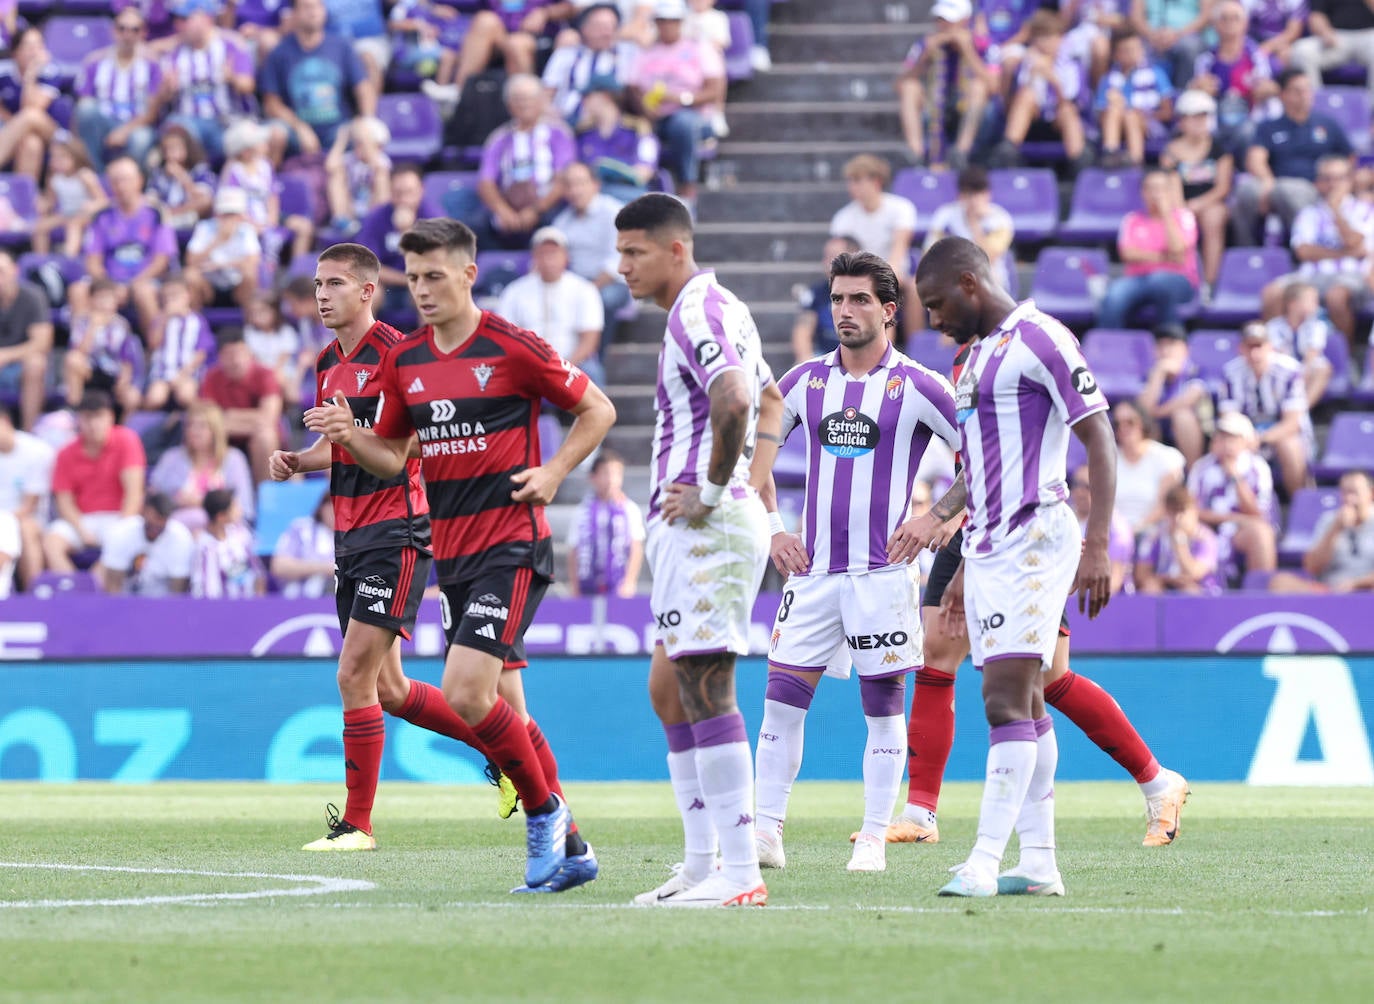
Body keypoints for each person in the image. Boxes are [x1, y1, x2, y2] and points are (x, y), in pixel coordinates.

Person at [304, 221, 616, 892]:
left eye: (434, 276)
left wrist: (556, 472)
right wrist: (349, 435)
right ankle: (576, 845)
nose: (421, 290)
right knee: (501, 709)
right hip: (454, 555)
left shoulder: (512, 346)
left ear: (469, 274)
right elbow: (391, 455)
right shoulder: (407, 359)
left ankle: (544, 813)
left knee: (465, 692)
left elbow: (597, 409)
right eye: (412, 278)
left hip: (513, 543)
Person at [886, 335, 1189, 859]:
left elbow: (1032, 463)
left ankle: (1156, 782)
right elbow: (974, 473)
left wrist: (941, 516)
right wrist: (948, 517)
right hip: (975, 535)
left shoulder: (1023, 380)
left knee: (1046, 681)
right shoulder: (967, 396)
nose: (962, 388)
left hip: (1025, 538)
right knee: (935, 653)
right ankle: (920, 812)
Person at [268, 242, 519, 848]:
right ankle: (507, 752)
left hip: (397, 532)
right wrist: (299, 461)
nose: (321, 295)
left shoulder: (398, 356)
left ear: (365, 291)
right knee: (389, 690)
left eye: (333, 284)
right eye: (317, 285)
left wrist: (347, 432)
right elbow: (341, 449)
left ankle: (358, 825)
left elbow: (398, 453)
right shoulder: (327, 361)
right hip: (350, 536)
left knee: (352, 675)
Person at [748, 251, 961, 875]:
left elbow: (984, 455)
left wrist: (936, 517)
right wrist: (772, 530)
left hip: (882, 576)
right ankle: (765, 833)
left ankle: (872, 838)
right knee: (781, 704)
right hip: (812, 575)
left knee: (883, 708)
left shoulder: (921, 386)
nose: (844, 311)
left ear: (889, 311)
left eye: (859, 300)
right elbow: (748, 457)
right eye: (837, 299)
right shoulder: (804, 382)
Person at [915, 234, 1114, 897]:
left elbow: (1099, 433)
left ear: (971, 284)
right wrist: (964, 561)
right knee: (1024, 698)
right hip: (991, 545)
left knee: (1003, 698)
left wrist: (1098, 544)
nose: (934, 320)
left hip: (1037, 536)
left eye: (938, 303)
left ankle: (982, 859)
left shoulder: (1042, 338)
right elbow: (981, 473)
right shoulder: (972, 363)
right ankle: (1039, 862)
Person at [614, 193, 778, 907]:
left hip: (706, 528)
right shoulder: (722, 309)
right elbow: (771, 400)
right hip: (698, 528)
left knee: (707, 688)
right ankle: (702, 863)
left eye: (634, 253)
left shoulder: (698, 313)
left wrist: (718, 492)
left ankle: (740, 874)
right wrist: (753, 482)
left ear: (675, 250)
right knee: (668, 689)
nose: (621, 267)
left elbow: (739, 400)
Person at [1260, 154, 1373, 349]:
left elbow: (1357, 242)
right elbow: (1303, 252)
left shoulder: (1365, 210)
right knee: (1272, 293)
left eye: (1339, 178)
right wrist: (1346, 252)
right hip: (1311, 276)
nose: (1333, 184)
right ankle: (1277, 354)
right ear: (1318, 183)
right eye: (1327, 178)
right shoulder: (1308, 213)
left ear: (1349, 180)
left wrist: (1336, 212)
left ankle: (1345, 356)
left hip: (1352, 277)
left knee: (1336, 296)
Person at [1232, 68, 1353, 245]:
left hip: (1317, 188)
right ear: (1283, 95)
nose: (1305, 95)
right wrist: (1268, 183)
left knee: (1288, 190)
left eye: (1307, 89)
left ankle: (1310, 245)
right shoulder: (1269, 126)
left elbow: (1348, 159)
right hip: (1276, 184)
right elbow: (1255, 160)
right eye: (1297, 90)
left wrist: (1335, 181)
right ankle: (1246, 249)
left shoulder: (1326, 124)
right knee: (1246, 190)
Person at [627, 0, 726, 205]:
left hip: (692, 115)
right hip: (653, 115)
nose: (667, 26)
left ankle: (687, 185)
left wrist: (681, 99)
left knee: (683, 124)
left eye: (672, 21)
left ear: (681, 22)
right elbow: (632, 87)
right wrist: (644, 107)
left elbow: (713, 89)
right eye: (662, 21)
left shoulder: (699, 48)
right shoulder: (646, 52)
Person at [42, 391, 147, 574]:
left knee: (129, 534)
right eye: (87, 418)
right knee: (52, 540)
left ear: (111, 417)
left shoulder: (127, 440)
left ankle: (93, 588)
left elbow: (134, 493)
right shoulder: (66, 453)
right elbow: (64, 501)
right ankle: (72, 587)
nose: (93, 424)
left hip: (119, 518)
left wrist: (120, 528)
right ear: (78, 420)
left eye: (99, 417)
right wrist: (82, 531)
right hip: (82, 520)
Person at [259, 0, 377, 160]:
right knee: (275, 133)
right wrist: (300, 127)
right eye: (307, 7)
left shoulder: (342, 46)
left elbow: (363, 88)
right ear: (294, 14)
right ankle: (269, 181)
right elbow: (271, 103)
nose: (313, 12)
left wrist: (367, 119)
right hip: (297, 131)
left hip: (338, 129)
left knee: (366, 133)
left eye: (318, 6)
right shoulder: (279, 53)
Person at [470, 74, 578, 249]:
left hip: (547, 206)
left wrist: (535, 210)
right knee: (473, 229)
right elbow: (486, 182)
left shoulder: (559, 134)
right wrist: (503, 210)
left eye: (529, 99)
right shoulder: (499, 138)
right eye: (518, 99)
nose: (524, 104)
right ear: (509, 105)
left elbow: (563, 179)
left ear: (541, 101)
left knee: (560, 224)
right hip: (507, 205)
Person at [496, 227, 607, 386]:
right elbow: (505, 337)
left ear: (566, 257)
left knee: (593, 372)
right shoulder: (515, 291)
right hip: (527, 364)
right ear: (534, 257)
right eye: (543, 253)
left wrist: (565, 367)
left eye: (554, 253)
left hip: (573, 363)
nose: (548, 259)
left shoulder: (584, 289)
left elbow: (589, 341)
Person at [1097, 169, 1200, 329]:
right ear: (1142, 192)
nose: (1156, 194)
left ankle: (1170, 341)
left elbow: (1178, 249)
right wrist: (1165, 257)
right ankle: (1110, 347)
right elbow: (1127, 254)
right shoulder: (1132, 219)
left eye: (1161, 188)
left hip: (1178, 279)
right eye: (1150, 188)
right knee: (1114, 294)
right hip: (1138, 279)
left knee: (1160, 282)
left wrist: (1166, 214)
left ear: (1170, 192)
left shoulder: (1184, 216)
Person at [1219, 321, 1312, 498]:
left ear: (1269, 347)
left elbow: (1292, 423)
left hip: (1281, 434)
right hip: (1244, 435)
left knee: (1288, 445)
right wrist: (1245, 439)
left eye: (1259, 346)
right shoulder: (1231, 372)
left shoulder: (1290, 370)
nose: (1255, 353)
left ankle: (1298, 504)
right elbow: (1228, 418)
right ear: (1241, 348)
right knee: (1226, 445)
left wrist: (1260, 438)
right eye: (1249, 347)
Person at [895, 0, 991, 170]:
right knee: (910, 87)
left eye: (948, 20)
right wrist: (924, 57)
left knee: (978, 86)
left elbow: (994, 86)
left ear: (964, 20)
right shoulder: (926, 43)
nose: (943, 25)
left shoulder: (981, 44)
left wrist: (967, 51)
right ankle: (915, 153)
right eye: (939, 20)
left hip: (974, 110)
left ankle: (960, 152)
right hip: (935, 104)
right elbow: (900, 83)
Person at [830, 155, 918, 334]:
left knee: (912, 288)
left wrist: (886, 276)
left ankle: (916, 346)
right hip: (860, 276)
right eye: (850, 181)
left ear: (876, 181)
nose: (852, 187)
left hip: (896, 274)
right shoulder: (843, 218)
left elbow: (899, 248)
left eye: (857, 180)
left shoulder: (901, 208)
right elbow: (842, 256)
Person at [158, 2, 256, 163]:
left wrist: (233, 78)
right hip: (189, 122)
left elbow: (248, 86)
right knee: (174, 127)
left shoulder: (231, 45)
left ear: (206, 19)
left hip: (226, 121)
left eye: (185, 19)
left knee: (248, 135)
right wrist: (167, 90)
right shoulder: (173, 53)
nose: (179, 25)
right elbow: (161, 100)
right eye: (178, 20)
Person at [1186, 410, 1278, 583]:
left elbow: (1258, 514)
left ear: (1245, 441)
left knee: (1262, 534)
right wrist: (1235, 518)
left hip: (1240, 532)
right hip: (1207, 529)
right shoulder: (1201, 467)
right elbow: (1192, 511)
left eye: (1232, 438)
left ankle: (1262, 597)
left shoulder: (1258, 467)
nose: (1226, 443)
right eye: (1221, 437)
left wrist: (1235, 476)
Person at [553, 162, 632, 351]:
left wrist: (587, 291)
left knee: (601, 299)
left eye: (580, 183)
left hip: (612, 283)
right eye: (569, 185)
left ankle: (595, 358)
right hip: (577, 284)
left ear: (595, 185)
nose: (574, 190)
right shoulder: (563, 220)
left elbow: (616, 263)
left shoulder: (613, 213)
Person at [73, 5, 163, 172]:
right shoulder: (94, 62)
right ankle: (96, 173)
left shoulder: (153, 65)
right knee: (86, 109)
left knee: (141, 138)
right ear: (113, 31)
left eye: (134, 30)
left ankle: (130, 184)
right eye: (122, 29)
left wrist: (124, 131)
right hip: (103, 122)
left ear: (143, 33)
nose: (127, 35)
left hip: (135, 124)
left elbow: (151, 113)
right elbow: (83, 104)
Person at [1158, 89, 1233, 290]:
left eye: (1203, 117)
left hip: (1210, 201)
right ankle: (1182, 281)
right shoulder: (1171, 151)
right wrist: (1182, 208)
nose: (1200, 123)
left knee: (1213, 219)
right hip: (1180, 202)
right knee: (1175, 221)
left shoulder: (1219, 148)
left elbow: (1223, 187)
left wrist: (1198, 204)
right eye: (1194, 118)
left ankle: (1209, 283)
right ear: (1182, 121)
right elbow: (1169, 183)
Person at [148, 400, 256, 531]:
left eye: (201, 426)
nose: (194, 431)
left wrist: (202, 503)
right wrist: (176, 502)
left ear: (215, 430)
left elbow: (244, 508)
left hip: (222, 531)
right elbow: (154, 498)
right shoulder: (172, 458)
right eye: (190, 425)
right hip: (177, 529)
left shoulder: (233, 459)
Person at [199, 328, 283, 483]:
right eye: (230, 355)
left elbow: (269, 417)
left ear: (249, 354)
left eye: (241, 353)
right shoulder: (211, 377)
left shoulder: (266, 374)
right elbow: (207, 417)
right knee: (202, 432)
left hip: (259, 438)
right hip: (226, 437)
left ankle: (263, 495)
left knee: (265, 436)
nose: (237, 360)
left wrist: (229, 415)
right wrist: (250, 420)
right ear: (220, 358)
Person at [1270, 471, 1374, 593]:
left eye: (1354, 492)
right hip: (1331, 589)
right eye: (1344, 492)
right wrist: (1335, 529)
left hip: (1367, 589)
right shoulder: (1329, 520)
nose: (1348, 499)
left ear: (1371, 493)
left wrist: (1357, 584)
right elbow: (1312, 567)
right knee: (1280, 582)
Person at [922, 166, 1016, 295]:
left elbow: (989, 257)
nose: (973, 200)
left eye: (979, 193)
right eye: (968, 194)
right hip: (949, 274)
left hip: (989, 277)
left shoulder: (1001, 219)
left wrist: (974, 223)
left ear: (988, 194)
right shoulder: (945, 215)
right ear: (960, 195)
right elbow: (929, 254)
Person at [567, 448, 645, 597]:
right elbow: (573, 550)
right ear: (593, 477)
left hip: (618, 585)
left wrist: (630, 582)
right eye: (606, 473)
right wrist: (574, 586)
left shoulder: (630, 509)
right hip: (587, 585)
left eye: (617, 474)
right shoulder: (582, 511)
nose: (612, 480)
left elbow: (636, 547)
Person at [542, 3, 639, 123]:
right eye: (600, 27)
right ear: (584, 28)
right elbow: (546, 93)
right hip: (567, 120)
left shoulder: (628, 53)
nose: (606, 33)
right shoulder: (566, 54)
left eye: (612, 27)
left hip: (614, 123)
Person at [62, 278, 145, 416]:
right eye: (99, 298)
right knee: (73, 360)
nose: (103, 303)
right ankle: (74, 412)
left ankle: (123, 429)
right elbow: (78, 351)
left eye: (108, 298)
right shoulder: (81, 322)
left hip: (113, 372)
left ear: (115, 301)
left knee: (132, 396)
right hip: (90, 371)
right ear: (91, 300)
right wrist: (93, 328)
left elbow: (128, 357)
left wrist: (124, 380)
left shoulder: (122, 325)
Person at [1094, 26, 1175, 167]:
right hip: (1117, 124)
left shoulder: (1156, 73)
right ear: (1115, 54)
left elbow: (1168, 112)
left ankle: (1135, 161)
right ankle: (1110, 154)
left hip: (1148, 125)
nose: (1132, 54)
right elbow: (1101, 117)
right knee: (1115, 111)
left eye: (1136, 49)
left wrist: (1144, 115)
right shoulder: (1108, 79)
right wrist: (1112, 106)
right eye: (1126, 50)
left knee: (1131, 115)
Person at [97, 491, 195, 595]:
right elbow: (113, 584)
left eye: (163, 519)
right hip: (125, 604)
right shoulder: (121, 533)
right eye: (156, 517)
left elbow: (178, 590)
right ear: (144, 511)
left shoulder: (181, 538)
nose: (158, 524)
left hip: (163, 605)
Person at [1111, 397, 1186, 533]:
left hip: (1154, 532)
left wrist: (1136, 530)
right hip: (1115, 533)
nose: (1123, 428)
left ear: (1143, 422)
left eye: (1130, 422)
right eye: (1117, 424)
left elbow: (1165, 505)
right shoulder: (1108, 458)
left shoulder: (1167, 457)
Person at [0, 404, 53, 595]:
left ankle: (33, 595)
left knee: (22, 529)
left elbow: (29, 506)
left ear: (5, 422)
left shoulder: (37, 451)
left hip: (29, 519)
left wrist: (4, 520)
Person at [1138, 323, 1208, 465]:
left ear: (1185, 349)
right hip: (1160, 433)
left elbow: (1190, 398)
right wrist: (1159, 374)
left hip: (1196, 433)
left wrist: (1156, 412)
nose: (1165, 351)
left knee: (1182, 416)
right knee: (1145, 423)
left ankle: (1192, 475)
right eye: (1160, 345)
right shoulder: (1152, 374)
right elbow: (1142, 411)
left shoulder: (1195, 371)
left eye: (1171, 345)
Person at [144, 276, 216, 413]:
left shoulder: (197, 320)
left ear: (187, 296)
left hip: (188, 372)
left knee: (186, 395)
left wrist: (182, 375)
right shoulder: (159, 320)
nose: (171, 300)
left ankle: (197, 420)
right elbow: (153, 344)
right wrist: (164, 319)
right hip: (162, 372)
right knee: (154, 399)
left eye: (175, 295)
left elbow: (201, 353)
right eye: (167, 297)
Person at [184, 186, 263, 311]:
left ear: (241, 214)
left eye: (233, 214)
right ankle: (195, 319)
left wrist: (221, 265)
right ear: (217, 213)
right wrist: (218, 240)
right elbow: (191, 261)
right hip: (209, 287)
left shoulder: (247, 230)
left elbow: (253, 262)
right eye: (225, 214)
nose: (229, 219)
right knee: (190, 275)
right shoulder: (204, 228)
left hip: (236, 287)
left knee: (250, 274)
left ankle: (249, 320)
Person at [1134, 483, 1222, 594]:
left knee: (1190, 591)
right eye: (1173, 512)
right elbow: (1141, 574)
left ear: (1194, 510)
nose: (1177, 518)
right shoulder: (1154, 536)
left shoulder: (1206, 539)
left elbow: (1194, 573)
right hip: (1164, 582)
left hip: (1199, 588)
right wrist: (1168, 579)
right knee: (1150, 588)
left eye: (1182, 511)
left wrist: (1180, 542)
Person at [0, 248, 53, 431]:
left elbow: (42, 343)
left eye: (1, 271)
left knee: (36, 363)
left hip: (19, 365)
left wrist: (6, 355)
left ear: (14, 271)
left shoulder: (32, 297)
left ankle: (29, 432)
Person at [0, 26, 63, 179]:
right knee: (31, 144)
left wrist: (30, 75)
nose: (34, 52)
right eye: (28, 46)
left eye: (38, 46)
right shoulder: (3, 71)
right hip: (18, 133)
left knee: (30, 116)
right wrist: (13, 126)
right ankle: (25, 200)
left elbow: (32, 109)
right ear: (15, 52)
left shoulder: (50, 71)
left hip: (52, 133)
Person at [1289, 0, 1374, 104]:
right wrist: (1324, 32)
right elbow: (1316, 15)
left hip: (1369, 35)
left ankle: (1370, 112)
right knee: (1302, 51)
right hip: (1336, 36)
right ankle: (1317, 106)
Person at [1070, 464, 1136, 595]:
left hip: (1104, 602)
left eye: (1087, 487)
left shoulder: (1116, 526)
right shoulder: (1064, 518)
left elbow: (1114, 580)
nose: (1079, 492)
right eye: (1076, 485)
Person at [791, 236, 859, 362]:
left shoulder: (871, 292)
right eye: (826, 257)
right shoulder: (817, 293)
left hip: (863, 356)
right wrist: (806, 362)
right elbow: (803, 331)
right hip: (826, 356)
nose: (827, 263)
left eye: (833, 257)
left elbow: (885, 331)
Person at [1265, 281, 1333, 407]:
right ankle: (1275, 408)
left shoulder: (1317, 325)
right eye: (1311, 301)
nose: (1316, 306)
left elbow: (1312, 354)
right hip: (1283, 367)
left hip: (1306, 369)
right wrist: (1294, 372)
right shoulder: (1273, 326)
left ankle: (1301, 409)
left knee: (1322, 368)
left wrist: (1302, 372)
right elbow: (1278, 353)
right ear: (1293, 304)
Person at [192, 488, 265, 598]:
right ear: (221, 516)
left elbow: (258, 574)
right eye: (235, 507)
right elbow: (209, 591)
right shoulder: (205, 547)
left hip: (250, 606)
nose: (240, 510)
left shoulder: (242, 535)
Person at [271, 489, 336, 599]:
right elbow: (279, 566)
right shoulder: (301, 529)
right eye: (332, 505)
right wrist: (324, 568)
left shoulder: (357, 535)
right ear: (322, 508)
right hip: (300, 600)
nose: (337, 511)